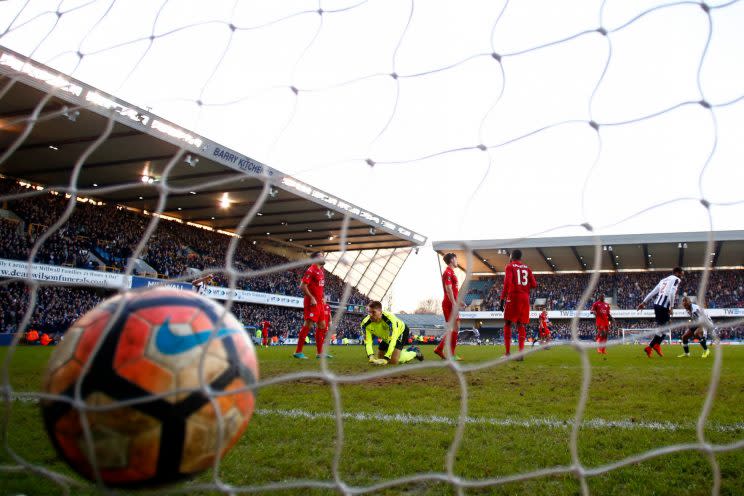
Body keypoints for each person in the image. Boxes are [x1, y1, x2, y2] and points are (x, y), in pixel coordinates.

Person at [637, 267, 684, 358]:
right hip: (664, 306)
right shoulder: (676, 279)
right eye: (682, 273)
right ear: (677, 273)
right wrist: (671, 307)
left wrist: (644, 302)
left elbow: (653, 292)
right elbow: (671, 293)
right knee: (663, 328)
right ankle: (652, 346)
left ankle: (654, 346)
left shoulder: (663, 280)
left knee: (665, 328)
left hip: (657, 304)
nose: (682, 275)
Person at [500, 249, 536, 358]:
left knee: (508, 323)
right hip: (525, 298)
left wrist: (502, 299)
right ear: (521, 257)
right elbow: (534, 284)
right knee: (521, 325)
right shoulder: (527, 268)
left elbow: (507, 283)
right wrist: (524, 289)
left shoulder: (510, 266)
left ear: (512, 256)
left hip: (514, 297)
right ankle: (521, 353)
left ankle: (507, 353)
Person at [361, 301, 423, 365]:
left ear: (380, 312)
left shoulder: (390, 320)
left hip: (400, 332)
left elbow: (393, 339)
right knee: (380, 357)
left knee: (393, 361)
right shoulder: (365, 324)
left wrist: (387, 358)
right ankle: (403, 351)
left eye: (373, 312)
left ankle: (414, 352)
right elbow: (368, 341)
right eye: (369, 312)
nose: (370, 315)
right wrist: (371, 357)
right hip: (387, 337)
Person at [293, 252, 329, 359]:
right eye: (321, 256)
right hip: (312, 302)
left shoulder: (321, 271)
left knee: (322, 325)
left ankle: (319, 353)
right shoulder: (311, 270)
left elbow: (319, 287)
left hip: (320, 303)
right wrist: (312, 297)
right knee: (308, 325)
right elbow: (302, 285)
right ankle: (298, 352)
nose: (323, 257)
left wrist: (322, 297)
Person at [434, 253, 463, 361]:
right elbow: (448, 289)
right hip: (449, 303)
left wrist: (458, 301)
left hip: (451, 302)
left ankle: (440, 349)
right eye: (456, 259)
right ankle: (449, 353)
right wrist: (454, 303)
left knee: (455, 328)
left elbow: (453, 291)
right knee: (455, 328)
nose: (457, 261)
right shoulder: (448, 272)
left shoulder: (451, 272)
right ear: (451, 260)